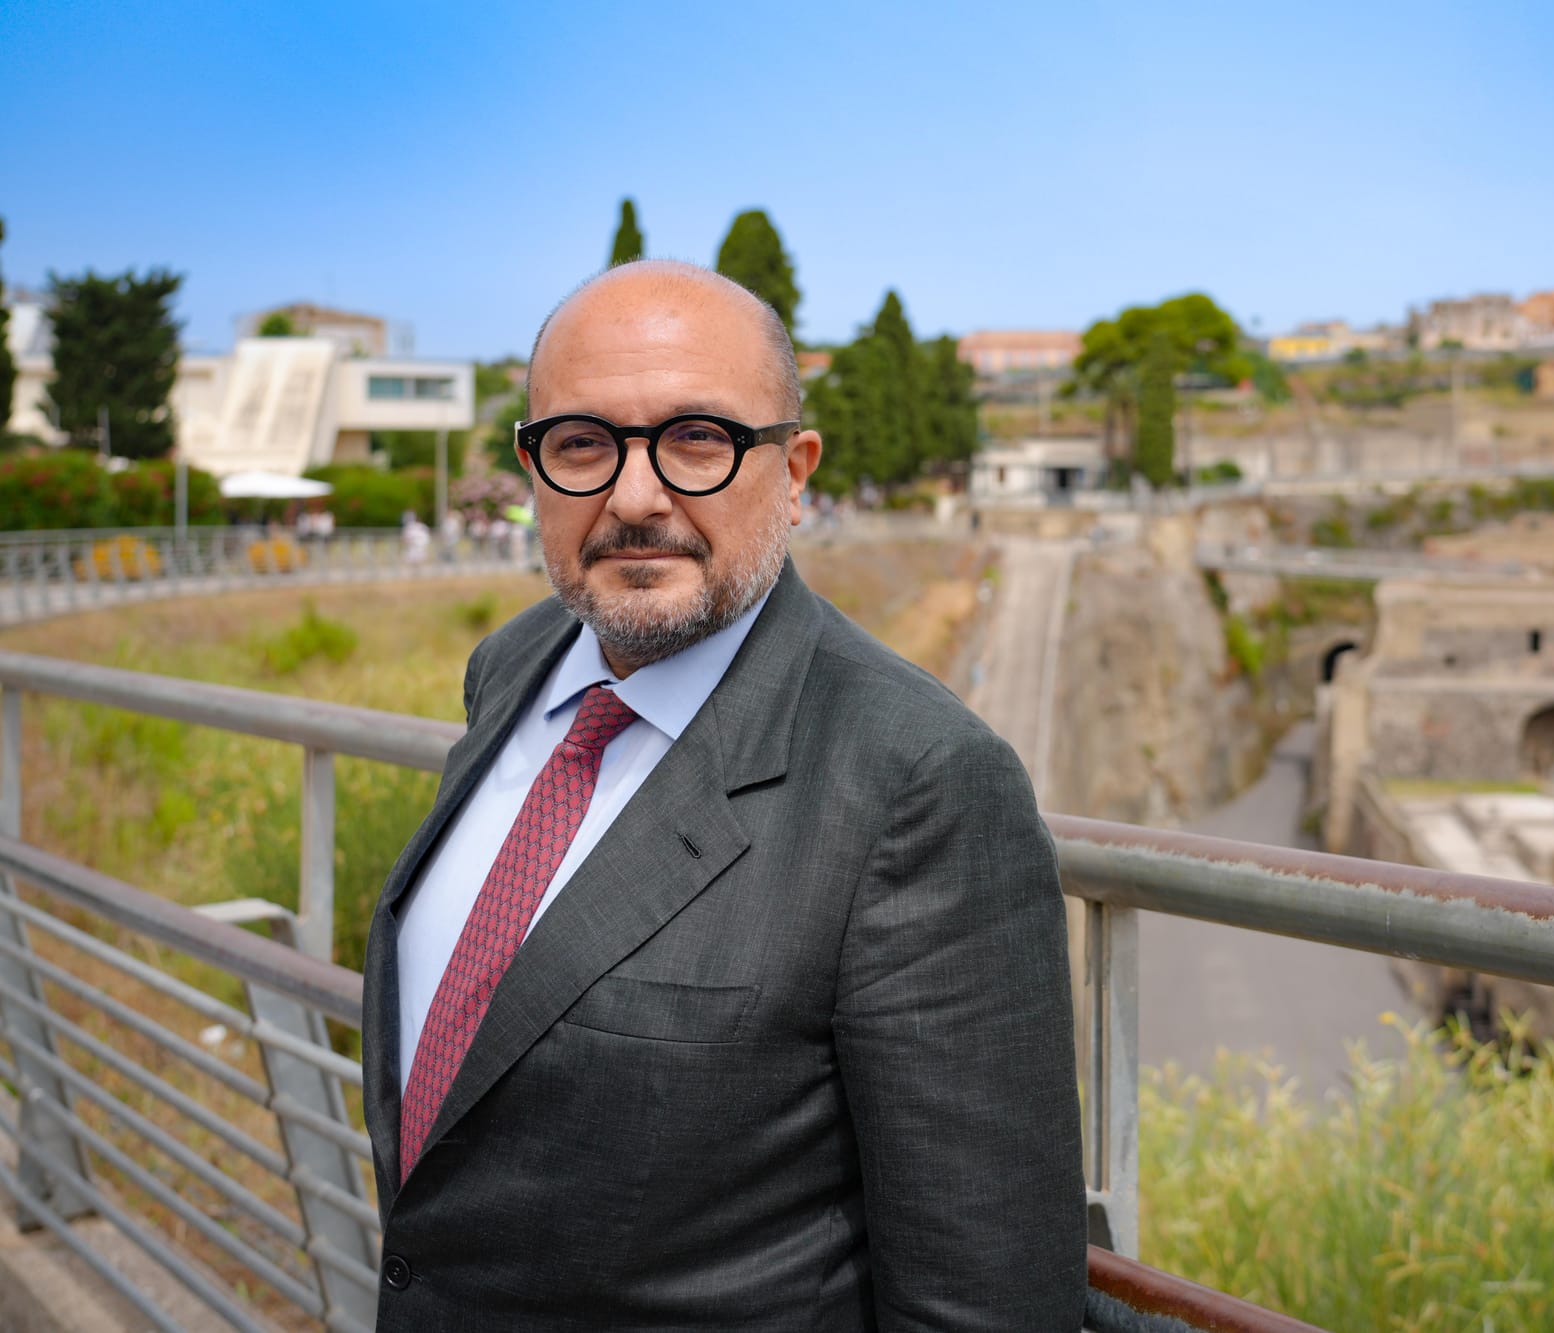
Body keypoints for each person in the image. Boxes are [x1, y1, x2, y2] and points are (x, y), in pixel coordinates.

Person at [361, 260, 1084, 1330]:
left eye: (697, 438)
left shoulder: (915, 783)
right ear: (531, 468)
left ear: (793, 472)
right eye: (580, 443)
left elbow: (986, 1296)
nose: (634, 495)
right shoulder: (511, 668)